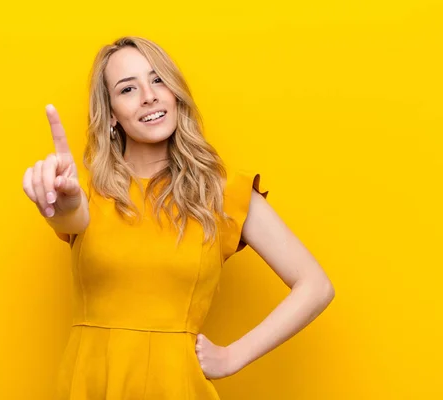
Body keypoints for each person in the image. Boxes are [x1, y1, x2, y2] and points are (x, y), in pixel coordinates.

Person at [22, 36, 335, 399]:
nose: (149, 95)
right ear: (110, 114)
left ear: (175, 93)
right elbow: (71, 219)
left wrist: (232, 356)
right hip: (91, 385)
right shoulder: (85, 194)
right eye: (128, 89)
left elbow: (315, 286)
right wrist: (62, 204)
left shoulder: (220, 193)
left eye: (158, 80)